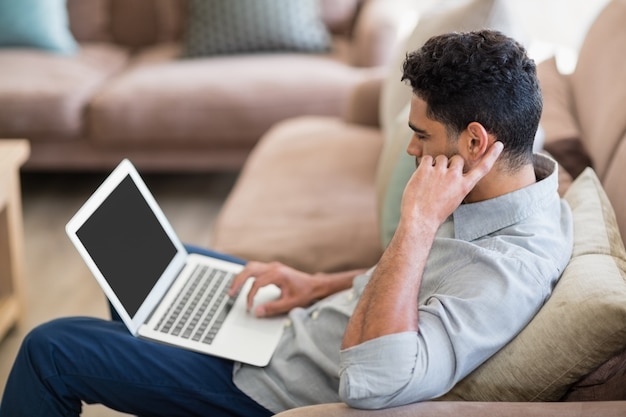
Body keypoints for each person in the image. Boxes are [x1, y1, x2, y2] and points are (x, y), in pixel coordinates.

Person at [0, 29, 573, 416]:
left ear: (476, 140)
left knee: (49, 349)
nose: (409, 151)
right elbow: (425, 284)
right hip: (300, 324)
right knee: (152, 276)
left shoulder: (506, 271)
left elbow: (375, 380)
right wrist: (316, 285)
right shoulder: (514, 191)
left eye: (421, 134)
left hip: (271, 383)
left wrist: (418, 222)